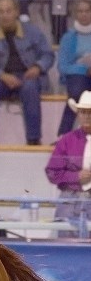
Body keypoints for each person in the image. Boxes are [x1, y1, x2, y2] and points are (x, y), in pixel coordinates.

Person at [0, 0, 55, 145]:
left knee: (30, 87)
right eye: (1, 11)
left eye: (8, 11)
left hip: (26, 75)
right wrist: (2, 75)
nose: (5, 15)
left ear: (17, 12)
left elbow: (48, 54)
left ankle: (33, 139)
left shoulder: (33, 31)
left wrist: (38, 67)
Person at [45, 90, 91, 237]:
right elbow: (52, 172)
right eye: (83, 112)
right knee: (65, 241)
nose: (87, 116)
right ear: (78, 113)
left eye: (90, 112)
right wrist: (76, 176)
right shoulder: (67, 140)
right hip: (70, 199)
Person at [57, 0, 91, 136]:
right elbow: (63, 66)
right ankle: (63, 135)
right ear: (75, 14)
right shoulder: (68, 37)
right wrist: (84, 68)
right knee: (77, 92)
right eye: (80, 11)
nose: (84, 14)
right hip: (77, 76)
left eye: (87, 11)